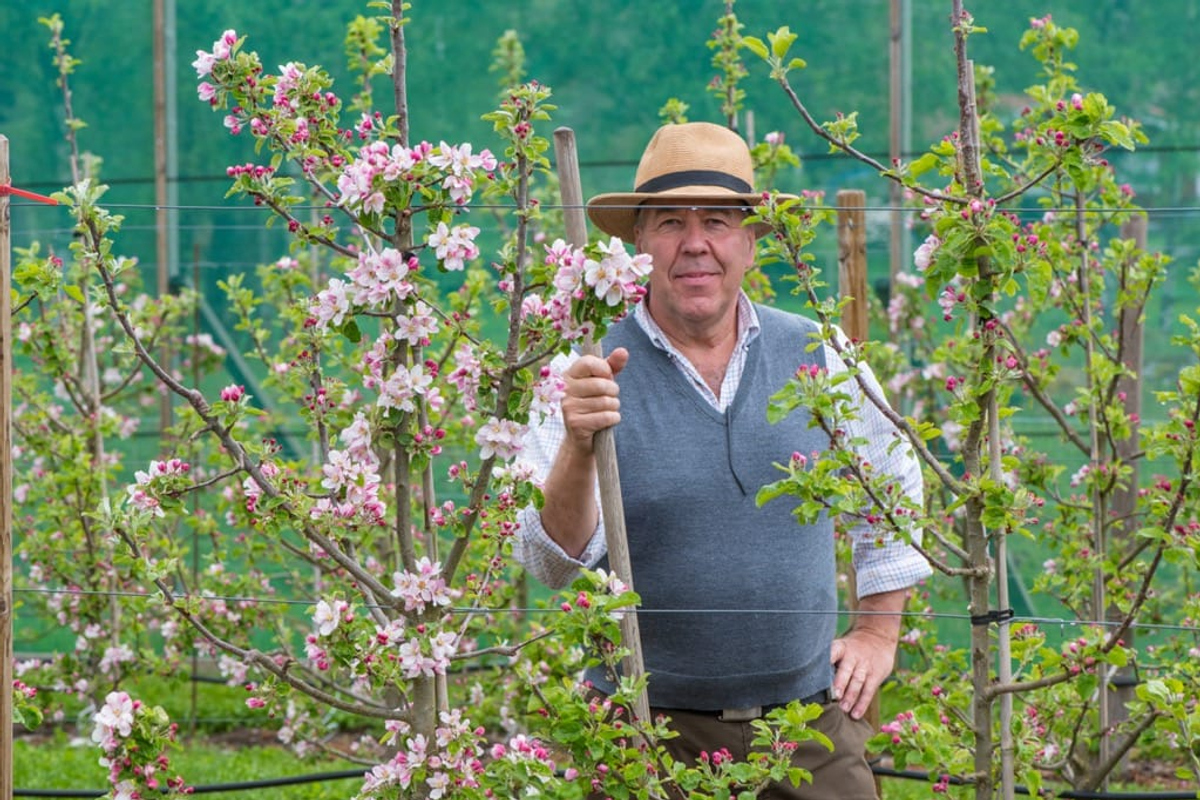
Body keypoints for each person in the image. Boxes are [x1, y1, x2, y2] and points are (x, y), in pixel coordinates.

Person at [514, 121, 930, 799]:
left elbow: (892, 491)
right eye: (670, 222)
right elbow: (550, 561)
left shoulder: (818, 354)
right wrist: (578, 445)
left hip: (806, 729)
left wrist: (877, 635)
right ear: (639, 243)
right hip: (645, 733)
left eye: (717, 220)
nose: (695, 243)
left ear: (751, 242)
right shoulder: (584, 369)